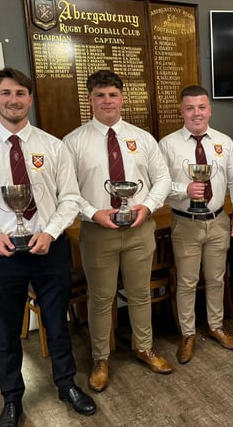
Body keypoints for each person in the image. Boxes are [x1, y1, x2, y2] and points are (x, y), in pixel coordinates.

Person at [0, 68, 96, 427]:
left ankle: (67, 386)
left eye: (20, 93)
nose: (13, 100)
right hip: (2, 255)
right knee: (6, 331)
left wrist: (49, 231)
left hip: (50, 251)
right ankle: (12, 399)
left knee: (57, 325)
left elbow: (71, 198)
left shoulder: (52, 146)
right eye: (5, 93)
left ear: (29, 99)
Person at [63, 70, 173, 393]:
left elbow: (163, 178)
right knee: (101, 298)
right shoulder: (73, 142)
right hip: (98, 233)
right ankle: (100, 359)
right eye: (100, 95)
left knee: (140, 293)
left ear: (122, 98)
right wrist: (94, 212)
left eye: (112, 95)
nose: (107, 101)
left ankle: (144, 348)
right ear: (90, 100)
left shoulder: (142, 138)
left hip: (139, 229)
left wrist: (147, 206)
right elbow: (67, 190)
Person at [159, 85, 233, 364]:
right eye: (190, 108)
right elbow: (158, 187)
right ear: (182, 111)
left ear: (209, 109)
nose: (196, 113)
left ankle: (217, 327)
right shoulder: (168, 145)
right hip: (186, 224)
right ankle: (188, 334)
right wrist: (184, 189)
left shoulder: (224, 142)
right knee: (186, 282)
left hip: (218, 220)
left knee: (217, 279)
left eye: (201, 107)